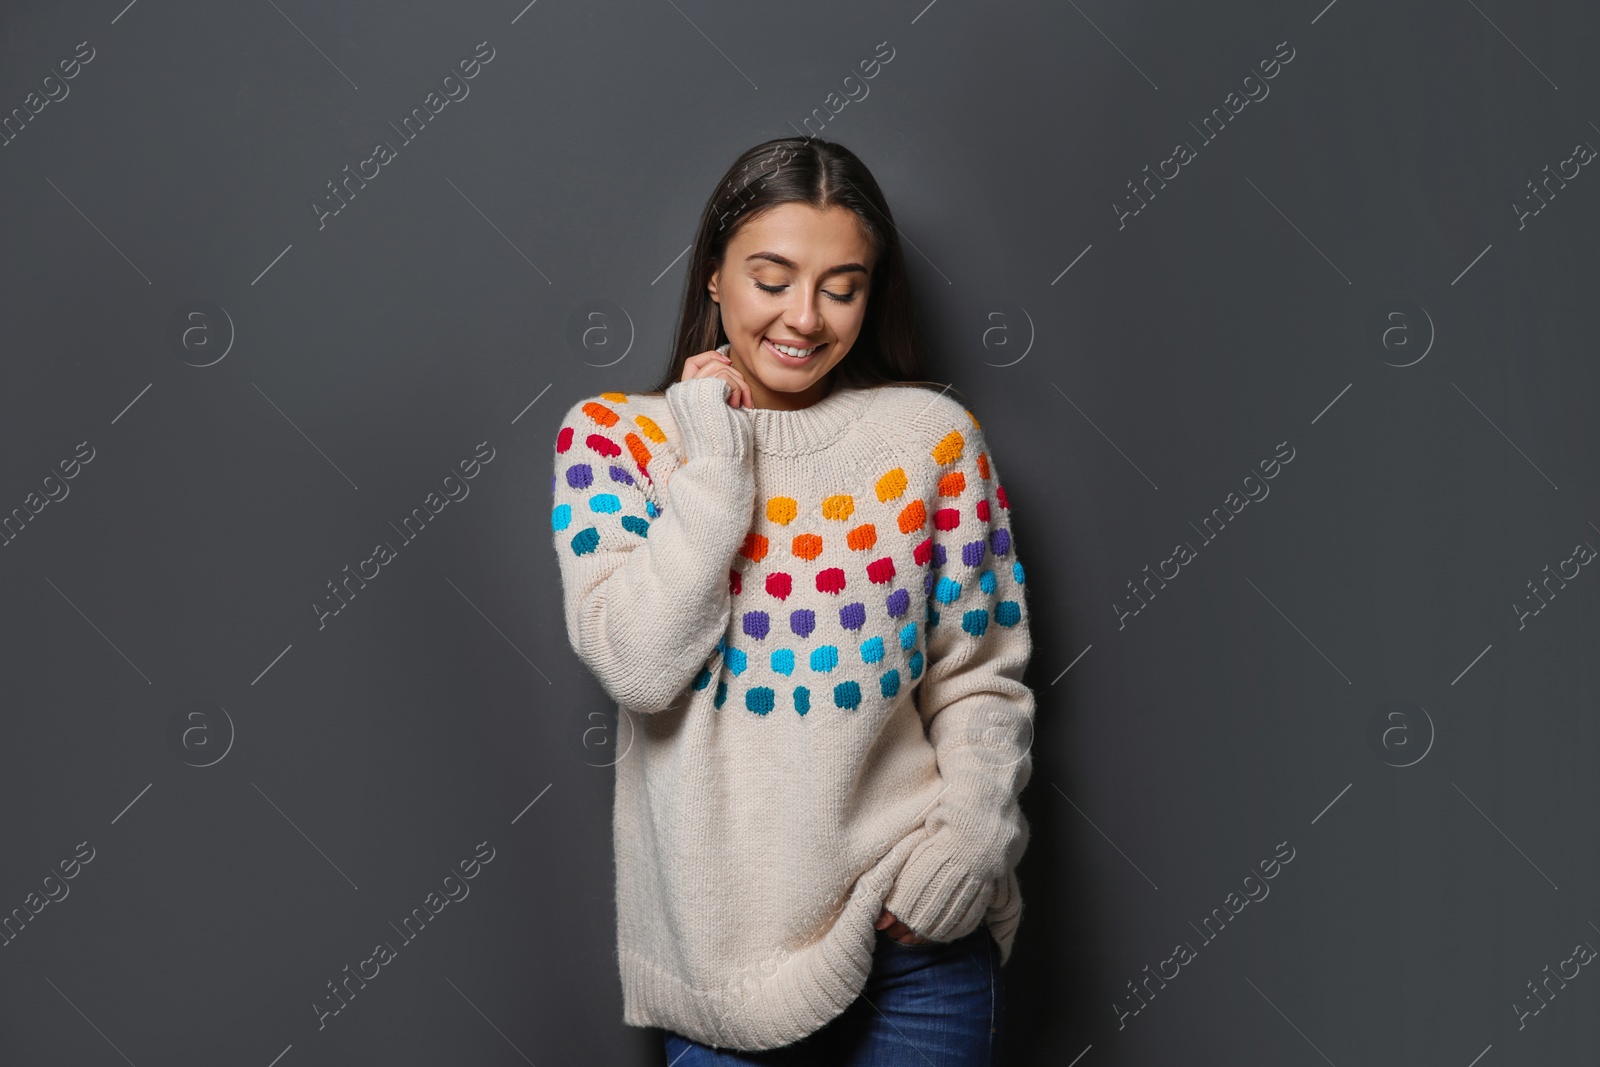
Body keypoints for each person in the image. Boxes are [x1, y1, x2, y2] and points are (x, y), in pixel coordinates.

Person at [548, 137, 1035, 1065]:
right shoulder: (613, 441)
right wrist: (717, 457)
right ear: (716, 277)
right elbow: (640, 664)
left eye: (841, 287)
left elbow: (983, 676)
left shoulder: (930, 439)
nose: (804, 318)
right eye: (772, 278)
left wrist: (973, 841)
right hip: (724, 968)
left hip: (915, 934)